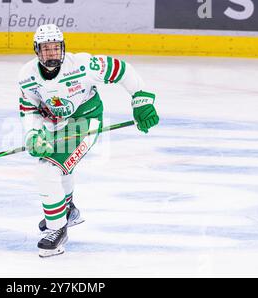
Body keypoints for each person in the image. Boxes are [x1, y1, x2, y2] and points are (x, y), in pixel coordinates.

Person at [18, 24, 159, 258]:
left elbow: (122, 70)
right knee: (61, 165)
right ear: (37, 51)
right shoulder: (27, 75)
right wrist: (33, 134)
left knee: (47, 168)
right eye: (46, 49)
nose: (52, 54)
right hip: (58, 123)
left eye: (55, 48)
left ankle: (56, 230)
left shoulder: (83, 65)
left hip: (86, 119)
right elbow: (29, 109)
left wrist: (141, 99)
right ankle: (68, 210)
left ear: (63, 48)